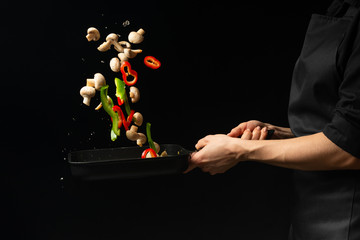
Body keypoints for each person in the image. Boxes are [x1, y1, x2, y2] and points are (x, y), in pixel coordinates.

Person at [185, 0, 360, 239]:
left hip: (350, 220)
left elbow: (349, 148)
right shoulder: (340, 9)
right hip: (311, 214)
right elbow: (340, 126)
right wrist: (277, 133)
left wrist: (240, 150)